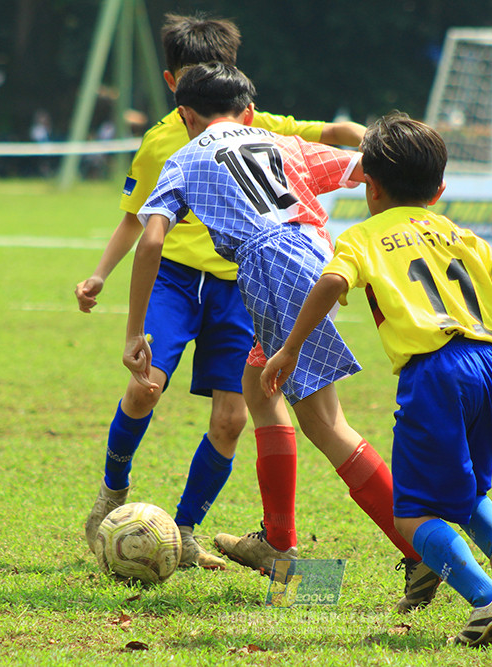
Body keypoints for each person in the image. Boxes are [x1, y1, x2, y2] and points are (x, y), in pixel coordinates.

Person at [122, 63, 430, 607]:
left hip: (271, 270)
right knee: (257, 385)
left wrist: (132, 333)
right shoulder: (278, 141)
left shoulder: (186, 156)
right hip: (315, 259)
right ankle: (279, 546)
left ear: (186, 115)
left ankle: (418, 554)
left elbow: (150, 243)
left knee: (327, 423)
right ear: (245, 110)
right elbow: (364, 169)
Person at [75, 14, 368, 571]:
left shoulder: (256, 126)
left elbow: (327, 136)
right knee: (144, 389)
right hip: (177, 279)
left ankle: (183, 532)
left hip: (243, 285)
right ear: (173, 86)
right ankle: (113, 490)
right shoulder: (164, 141)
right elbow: (139, 223)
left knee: (233, 418)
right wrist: (100, 274)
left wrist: (369, 136)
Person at [260, 112, 492, 646]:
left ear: (370, 185)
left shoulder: (362, 236)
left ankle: (488, 601)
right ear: (440, 189)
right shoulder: (460, 232)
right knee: (468, 484)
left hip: (434, 373)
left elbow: (333, 280)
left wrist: (290, 348)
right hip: (490, 364)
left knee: (410, 516)